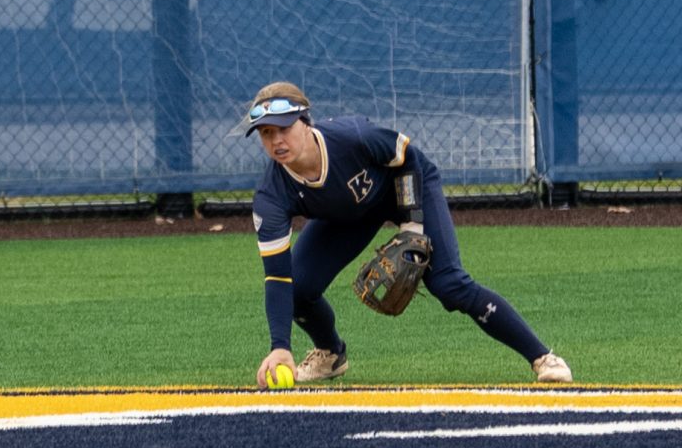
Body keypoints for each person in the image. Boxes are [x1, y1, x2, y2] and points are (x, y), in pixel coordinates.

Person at [243, 81, 572, 388]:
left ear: (305, 122)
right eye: (266, 133)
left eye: (284, 128)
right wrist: (279, 346)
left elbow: (407, 157)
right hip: (349, 214)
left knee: (449, 284)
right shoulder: (270, 197)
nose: (276, 142)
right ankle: (331, 354)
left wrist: (412, 225)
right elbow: (277, 277)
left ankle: (543, 357)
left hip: (409, 188)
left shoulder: (352, 137)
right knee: (299, 288)